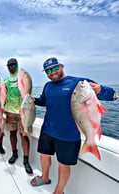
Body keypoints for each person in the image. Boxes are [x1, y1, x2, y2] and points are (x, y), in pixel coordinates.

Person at [30, 57, 118, 194]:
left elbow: (114, 96)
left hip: (68, 135)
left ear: (62, 66)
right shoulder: (48, 86)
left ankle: (59, 191)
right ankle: (45, 177)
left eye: (54, 68)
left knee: (63, 164)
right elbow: (45, 101)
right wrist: (34, 99)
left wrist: (101, 90)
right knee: (44, 155)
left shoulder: (79, 83)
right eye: (48, 71)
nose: (51, 72)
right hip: (47, 130)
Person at [4, 58, 33, 174]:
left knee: (24, 135)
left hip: (24, 112)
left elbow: (28, 90)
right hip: (10, 112)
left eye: (14, 65)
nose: (12, 67)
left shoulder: (24, 78)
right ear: (7, 67)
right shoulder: (6, 81)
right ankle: (14, 153)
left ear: (17, 65)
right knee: (12, 134)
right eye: (9, 66)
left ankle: (26, 160)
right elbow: (2, 95)